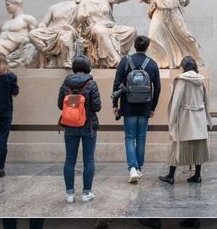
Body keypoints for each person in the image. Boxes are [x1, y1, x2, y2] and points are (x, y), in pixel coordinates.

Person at [112, 36, 161, 183]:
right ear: (147, 47)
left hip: (128, 106)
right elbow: (157, 89)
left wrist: (115, 104)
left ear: (134, 46)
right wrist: (152, 107)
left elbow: (116, 84)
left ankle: (132, 168)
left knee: (129, 137)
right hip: (145, 106)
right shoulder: (152, 64)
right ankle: (138, 168)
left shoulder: (125, 61)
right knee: (141, 138)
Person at [159, 56, 212, 184]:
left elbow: (176, 101)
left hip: (185, 118)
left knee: (176, 145)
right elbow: (205, 101)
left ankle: (171, 176)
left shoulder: (181, 80)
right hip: (199, 117)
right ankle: (197, 175)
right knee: (198, 146)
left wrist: (172, 120)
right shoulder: (201, 80)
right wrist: (207, 118)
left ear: (183, 67)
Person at [58, 55, 102, 203]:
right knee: (88, 160)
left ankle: (70, 194)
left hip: (70, 125)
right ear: (88, 67)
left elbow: (59, 105)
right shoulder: (91, 84)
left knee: (70, 160)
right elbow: (97, 106)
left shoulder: (66, 83)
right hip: (88, 126)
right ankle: (86, 193)